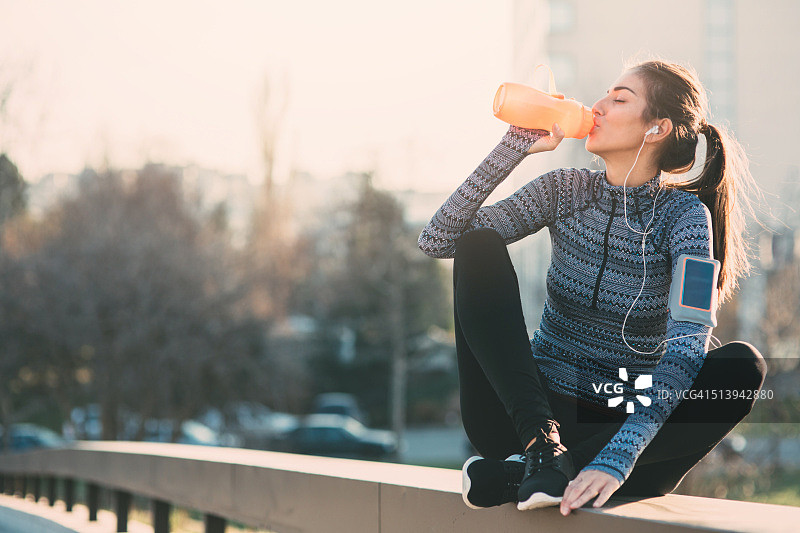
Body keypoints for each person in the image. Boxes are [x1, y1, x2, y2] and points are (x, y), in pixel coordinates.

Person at [418, 60, 768, 516]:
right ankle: (542, 451)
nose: (597, 106)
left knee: (742, 367)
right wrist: (515, 146)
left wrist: (617, 456)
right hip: (524, 419)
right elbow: (439, 240)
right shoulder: (564, 190)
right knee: (477, 246)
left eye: (619, 98)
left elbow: (687, 349)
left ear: (658, 128)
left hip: (623, 443)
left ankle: (536, 471)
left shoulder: (685, 219)